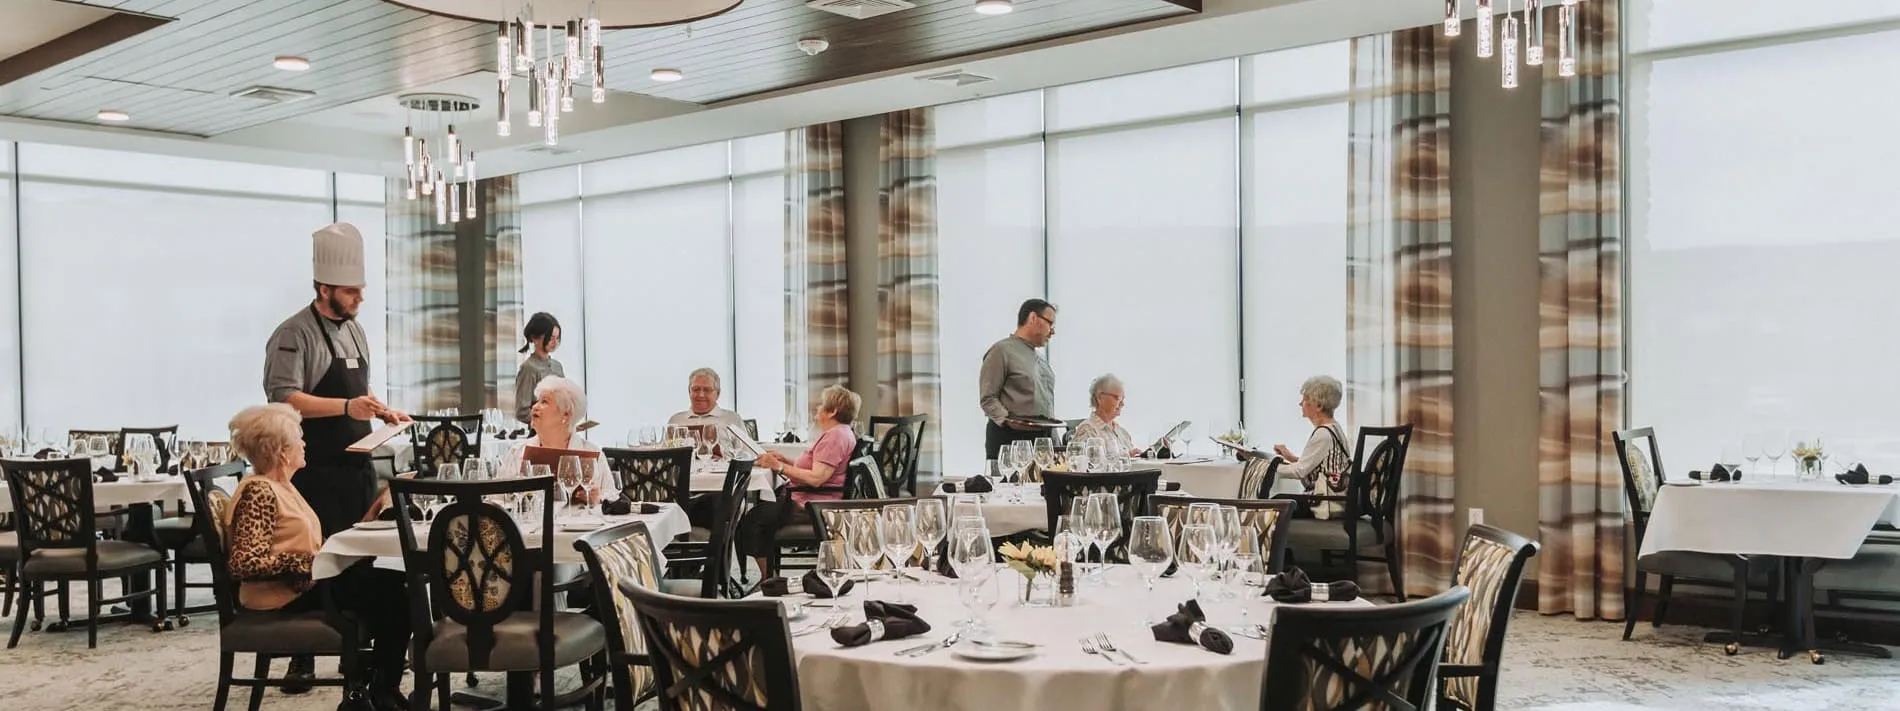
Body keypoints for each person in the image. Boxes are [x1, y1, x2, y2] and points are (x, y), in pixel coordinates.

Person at [263, 222, 408, 692]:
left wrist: (381, 410)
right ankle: (301, 655)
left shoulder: (357, 331)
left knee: (362, 562)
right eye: (351, 291)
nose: (360, 298)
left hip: (356, 470)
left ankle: (358, 657)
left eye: (361, 289)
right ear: (324, 289)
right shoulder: (293, 334)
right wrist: (347, 407)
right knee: (314, 561)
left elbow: (360, 390)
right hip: (314, 474)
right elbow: (283, 398)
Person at [223, 404, 411, 711]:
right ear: (281, 452)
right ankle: (381, 690)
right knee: (395, 593)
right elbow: (244, 562)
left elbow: (303, 544)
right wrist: (312, 564)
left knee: (395, 584)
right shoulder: (260, 492)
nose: (304, 443)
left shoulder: (282, 486)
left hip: (305, 584)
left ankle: (378, 687)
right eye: (299, 438)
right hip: (285, 594)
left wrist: (366, 520)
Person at [739, 384, 860, 576]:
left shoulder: (835, 436)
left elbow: (817, 479)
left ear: (832, 411)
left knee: (751, 523)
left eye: (822, 405)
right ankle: (769, 574)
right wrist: (785, 460)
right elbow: (816, 469)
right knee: (760, 514)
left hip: (810, 505)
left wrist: (779, 467)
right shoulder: (842, 432)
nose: (818, 408)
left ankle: (768, 578)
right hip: (810, 499)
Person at [979, 298, 1058, 460]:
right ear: (1033, 318)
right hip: (1010, 440)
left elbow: (1047, 403)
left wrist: (1054, 440)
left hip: (1042, 440)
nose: (1053, 331)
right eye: (1050, 323)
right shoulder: (1001, 351)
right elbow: (988, 398)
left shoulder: (1041, 359)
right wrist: (1009, 421)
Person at [497, 376, 600, 479]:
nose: (534, 407)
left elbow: (607, 489)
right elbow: (498, 489)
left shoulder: (592, 455)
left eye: (544, 402)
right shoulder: (517, 452)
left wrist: (596, 491)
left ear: (566, 414)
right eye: (537, 401)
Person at [1270, 375, 1351, 492]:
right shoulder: (1335, 428)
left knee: (1276, 498)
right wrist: (1291, 457)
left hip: (1323, 499)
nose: (1300, 403)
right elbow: (1316, 464)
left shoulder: (1323, 434)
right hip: (1336, 495)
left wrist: (1267, 467)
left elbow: (1299, 471)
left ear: (1318, 406)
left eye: (1304, 399)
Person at [512, 312, 566, 426]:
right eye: (550, 338)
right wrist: (546, 421)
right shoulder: (528, 368)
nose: (555, 342)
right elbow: (521, 411)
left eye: (557, 338)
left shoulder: (557, 366)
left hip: (560, 429)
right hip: (539, 432)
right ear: (535, 338)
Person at [1071, 374, 1142, 458]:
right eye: (1117, 398)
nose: (1122, 404)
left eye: (1123, 399)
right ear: (1100, 398)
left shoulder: (1122, 432)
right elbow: (1085, 463)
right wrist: (1127, 456)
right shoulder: (1087, 430)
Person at [667, 368, 744, 445]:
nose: (701, 395)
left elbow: (746, 451)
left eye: (707, 390)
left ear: (718, 393)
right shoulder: (675, 421)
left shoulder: (732, 419)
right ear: (689, 391)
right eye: (696, 389)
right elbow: (666, 450)